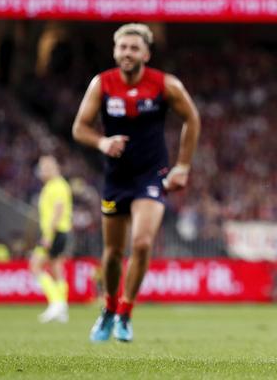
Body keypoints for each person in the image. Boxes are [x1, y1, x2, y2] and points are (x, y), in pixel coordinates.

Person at [72, 23, 200, 342]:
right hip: (116, 179)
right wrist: (102, 143)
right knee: (113, 253)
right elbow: (80, 128)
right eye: (122, 48)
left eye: (133, 48)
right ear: (115, 51)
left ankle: (126, 313)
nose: (127, 53)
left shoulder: (164, 85)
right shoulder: (101, 85)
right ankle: (109, 308)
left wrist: (182, 166)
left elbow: (192, 118)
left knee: (142, 243)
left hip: (151, 176)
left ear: (146, 53)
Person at [29, 155, 73, 323]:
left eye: (43, 168)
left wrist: (48, 236)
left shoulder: (57, 186)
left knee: (35, 266)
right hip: (60, 232)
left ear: (51, 168)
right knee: (56, 268)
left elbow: (58, 210)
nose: (40, 172)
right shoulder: (53, 185)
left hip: (54, 232)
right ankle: (62, 308)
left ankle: (56, 303)